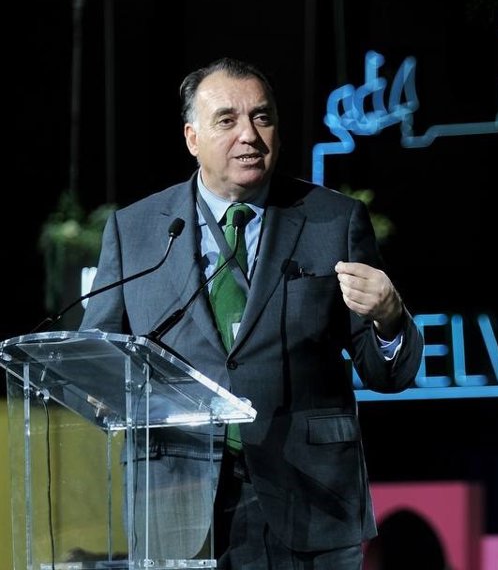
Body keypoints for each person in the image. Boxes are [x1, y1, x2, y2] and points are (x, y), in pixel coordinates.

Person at [81, 57, 423, 569]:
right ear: (192, 138)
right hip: (177, 500)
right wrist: (102, 391)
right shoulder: (137, 231)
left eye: (262, 118)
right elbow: (97, 362)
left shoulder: (333, 220)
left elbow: (386, 373)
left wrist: (390, 319)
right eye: (227, 120)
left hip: (311, 499)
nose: (249, 135)